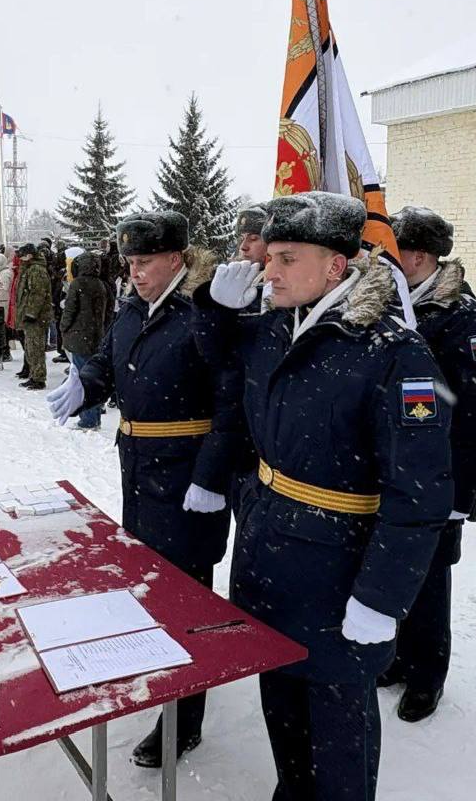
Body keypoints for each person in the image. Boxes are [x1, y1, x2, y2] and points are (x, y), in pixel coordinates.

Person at [194, 193, 453, 799]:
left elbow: (418, 493)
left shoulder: (392, 353)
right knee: (281, 698)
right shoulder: (271, 330)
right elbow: (217, 375)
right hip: (269, 550)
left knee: (339, 725)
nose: (269, 270)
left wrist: (382, 597)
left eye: (286, 258)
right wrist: (215, 312)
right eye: (270, 257)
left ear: (336, 266)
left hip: (341, 566)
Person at [47, 211, 235, 766]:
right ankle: (163, 681)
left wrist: (210, 476)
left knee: (188, 597)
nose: (134, 272)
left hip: (186, 477)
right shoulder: (134, 306)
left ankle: (185, 719)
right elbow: (109, 359)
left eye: (145, 261)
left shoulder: (203, 311)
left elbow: (231, 402)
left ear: (176, 260)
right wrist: (88, 383)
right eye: (129, 262)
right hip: (139, 471)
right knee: (151, 587)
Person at [376, 206, 476, 722]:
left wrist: (458, 499)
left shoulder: (463, 319)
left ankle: (428, 673)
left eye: (391, 250)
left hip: (439, 476)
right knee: (394, 568)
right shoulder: (392, 305)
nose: (380, 260)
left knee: (428, 580)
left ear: (419, 256)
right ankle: (400, 658)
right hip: (394, 470)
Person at [58, 250, 109, 430]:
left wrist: (63, 327)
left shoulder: (78, 284)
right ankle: (95, 412)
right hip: (96, 335)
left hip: (80, 335)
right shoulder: (100, 284)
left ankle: (89, 419)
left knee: (81, 377)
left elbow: (70, 310)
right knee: (93, 375)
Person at [14, 242, 51, 389]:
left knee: (35, 347)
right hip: (31, 315)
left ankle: (38, 377)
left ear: (29, 255)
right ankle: (34, 374)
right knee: (30, 347)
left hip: (36, 317)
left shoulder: (36, 270)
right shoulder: (30, 269)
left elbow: (38, 294)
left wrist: (31, 313)